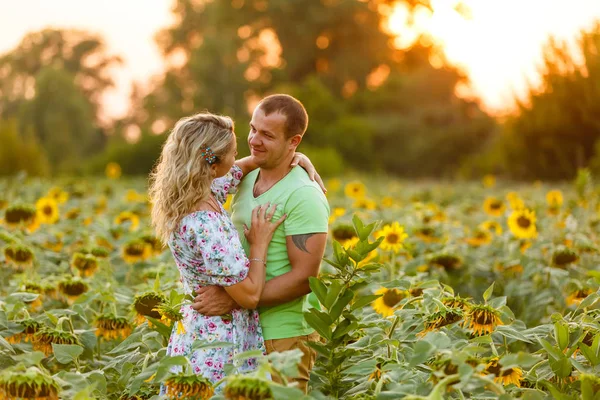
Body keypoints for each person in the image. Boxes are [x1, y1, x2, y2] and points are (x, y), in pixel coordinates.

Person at [147, 112, 323, 391]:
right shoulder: (206, 223)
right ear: (214, 161)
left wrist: (297, 155)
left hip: (196, 332)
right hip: (219, 343)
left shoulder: (200, 192)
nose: (248, 148)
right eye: (234, 151)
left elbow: (244, 165)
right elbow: (250, 294)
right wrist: (259, 243)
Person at [191, 94, 330, 393]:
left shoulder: (303, 194)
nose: (254, 140)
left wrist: (233, 298)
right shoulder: (243, 176)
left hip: (283, 334)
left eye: (267, 135)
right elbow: (195, 169)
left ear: (293, 141)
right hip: (240, 330)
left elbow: (305, 278)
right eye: (253, 129)